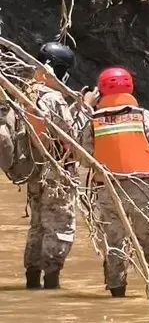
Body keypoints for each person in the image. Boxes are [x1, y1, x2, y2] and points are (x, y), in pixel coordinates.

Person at [80, 67, 149, 298]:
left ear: (101, 90)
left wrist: (87, 108)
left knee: (114, 244)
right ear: (130, 87)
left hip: (107, 188)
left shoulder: (93, 121)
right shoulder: (143, 116)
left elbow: (84, 158)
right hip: (142, 187)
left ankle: (117, 293)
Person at [23, 42, 88, 290]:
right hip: (57, 172)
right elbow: (72, 140)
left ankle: (32, 281)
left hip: (36, 170)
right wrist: (85, 108)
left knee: (38, 226)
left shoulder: (28, 92)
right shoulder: (53, 97)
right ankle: (51, 282)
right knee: (60, 227)